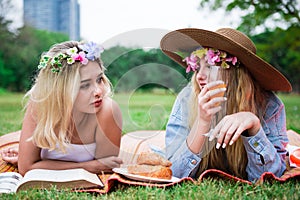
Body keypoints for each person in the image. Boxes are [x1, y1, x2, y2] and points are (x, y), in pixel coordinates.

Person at [160, 28, 292, 182]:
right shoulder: (187, 98)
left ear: (235, 72)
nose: (200, 76)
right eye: (197, 67)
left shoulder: (269, 105)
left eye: (209, 66)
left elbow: (271, 177)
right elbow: (173, 172)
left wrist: (254, 127)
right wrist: (202, 122)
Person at [2, 41, 123, 176]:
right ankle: (21, 144)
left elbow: (105, 169)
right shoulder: (39, 105)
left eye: (99, 79)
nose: (98, 91)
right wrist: (88, 166)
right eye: (84, 85)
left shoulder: (107, 111)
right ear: (61, 90)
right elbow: (26, 167)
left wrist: (42, 163)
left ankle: (22, 146)